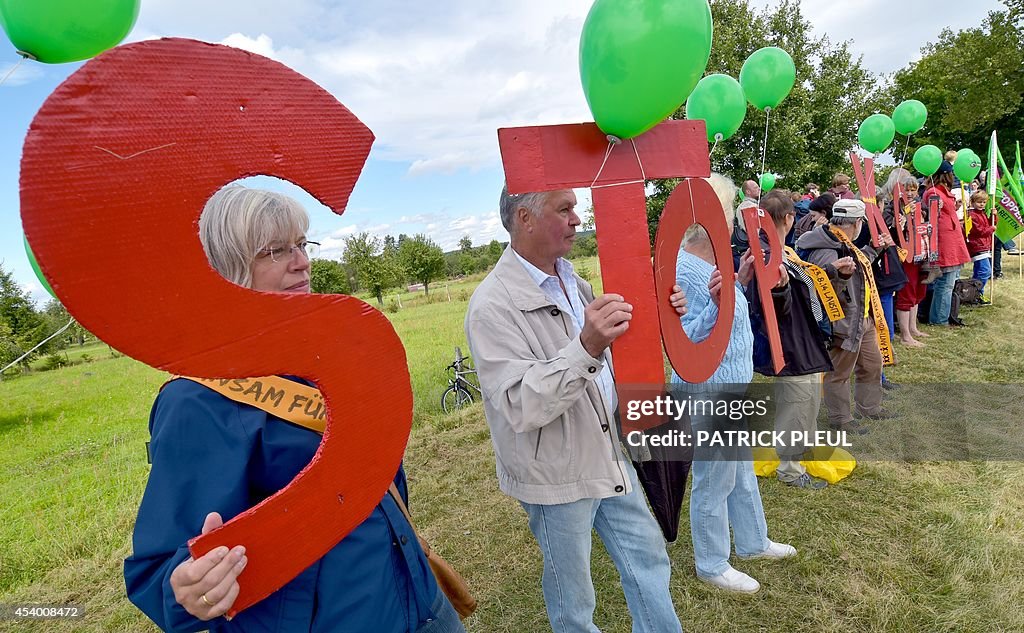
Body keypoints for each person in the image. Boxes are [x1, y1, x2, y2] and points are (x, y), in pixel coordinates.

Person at [124, 187, 465, 633]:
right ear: (226, 270)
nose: (302, 261)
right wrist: (185, 589)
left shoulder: (327, 357)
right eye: (275, 251)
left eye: (303, 244)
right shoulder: (197, 401)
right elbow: (156, 574)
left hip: (415, 597)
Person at [465, 186, 687, 632]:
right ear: (524, 218)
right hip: (554, 473)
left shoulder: (572, 279)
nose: (577, 218)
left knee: (647, 559)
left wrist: (661, 316)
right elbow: (520, 404)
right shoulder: (491, 306)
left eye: (575, 207)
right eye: (564, 209)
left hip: (605, 451)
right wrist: (587, 344)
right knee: (573, 599)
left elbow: (608, 351)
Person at [672, 175, 796, 595]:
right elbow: (686, 339)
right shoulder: (685, 269)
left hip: (730, 385)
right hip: (710, 390)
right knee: (715, 476)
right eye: (730, 211)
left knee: (740, 472)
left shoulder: (712, 263)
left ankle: (752, 541)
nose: (735, 220)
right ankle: (711, 563)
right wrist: (715, 302)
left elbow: (727, 316)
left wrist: (739, 282)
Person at [752, 191, 834, 489]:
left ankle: (804, 454)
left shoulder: (782, 250)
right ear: (789, 217)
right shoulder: (766, 255)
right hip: (791, 344)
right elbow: (771, 309)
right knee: (796, 406)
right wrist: (780, 291)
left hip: (805, 339)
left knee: (808, 401)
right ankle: (790, 469)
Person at [796, 199, 895, 434]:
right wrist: (841, 276)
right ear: (857, 222)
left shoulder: (842, 241)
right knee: (838, 373)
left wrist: (874, 248)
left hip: (863, 317)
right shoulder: (825, 248)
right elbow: (822, 292)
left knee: (872, 364)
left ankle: (869, 407)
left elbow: (858, 269)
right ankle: (840, 419)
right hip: (843, 322)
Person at [882, 169, 930, 347]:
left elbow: (928, 216)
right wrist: (896, 224)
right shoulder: (891, 207)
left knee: (918, 291)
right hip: (904, 255)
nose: (909, 193)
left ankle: (913, 327)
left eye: (912, 190)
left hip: (920, 254)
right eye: (906, 189)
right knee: (907, 293)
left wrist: (929, 212)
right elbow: (886, 227)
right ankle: (905, 335)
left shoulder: (918, 204)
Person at [921, 161, 971, 326]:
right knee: (945, 284)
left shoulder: (940, 192)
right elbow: (932, 216)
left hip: (950, 240)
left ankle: (940, 316)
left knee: (946, 283)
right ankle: (938, 319)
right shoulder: (934, 193)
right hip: (944, 242)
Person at [966, 190, 995, 297]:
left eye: (984, 202)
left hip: (983, 245)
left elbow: (990, 223)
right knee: (985, 271)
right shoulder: (972, 215)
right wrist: (991, 229)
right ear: (973, 202)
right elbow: (980, 231)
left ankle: (975, 294)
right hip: (977, 246)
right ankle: (976, 292)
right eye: (979, 202)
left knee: (979, 272)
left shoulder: (981, 213)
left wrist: (993, 216)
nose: (982, 204)